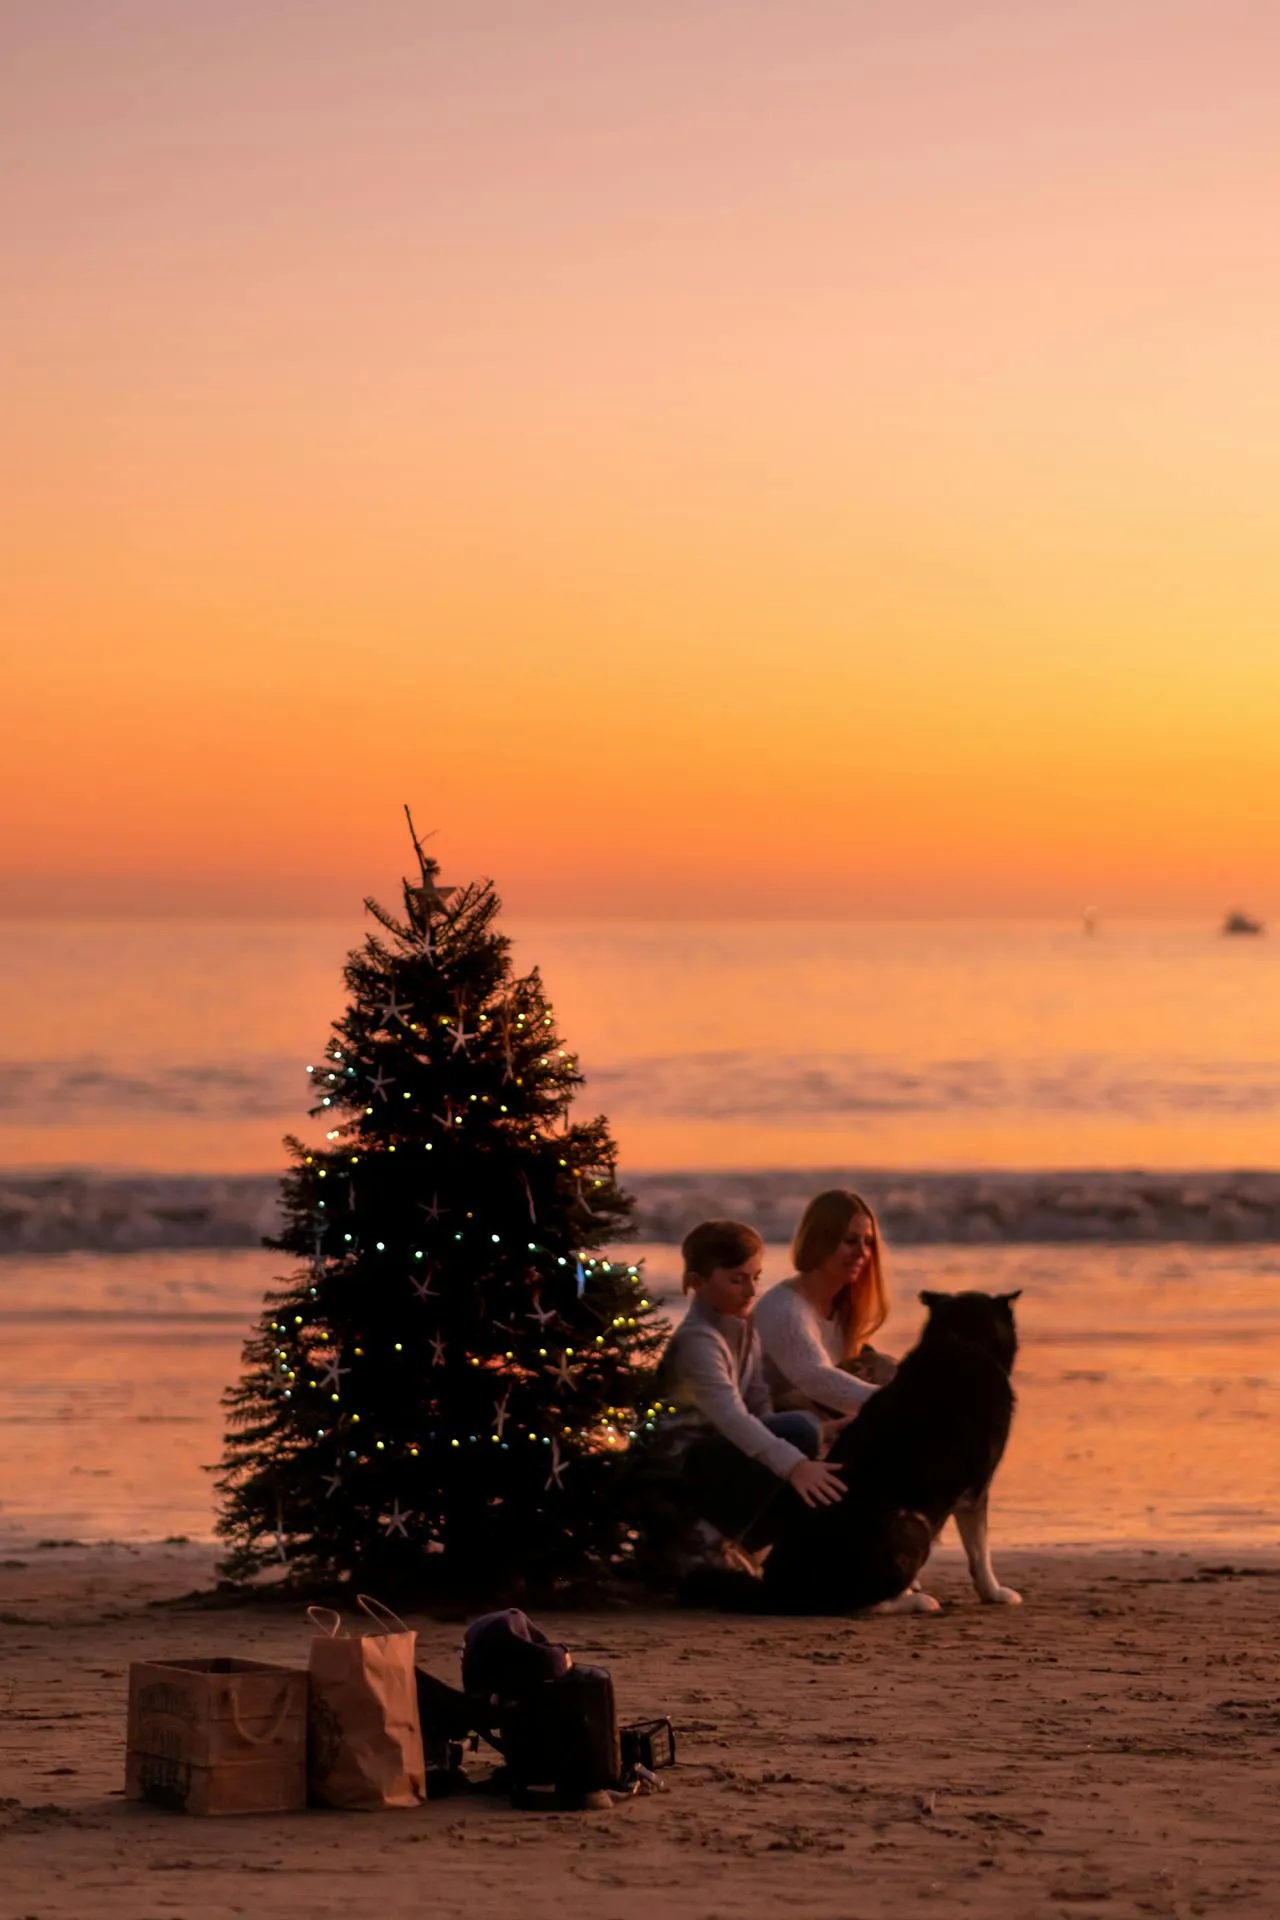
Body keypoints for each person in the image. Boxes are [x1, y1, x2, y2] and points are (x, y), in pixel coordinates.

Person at [652, 1219, 845, 1559]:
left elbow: (759, 1407)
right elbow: (733, 1418)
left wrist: (820, 1435)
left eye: (755, 1277)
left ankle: (748, 1543)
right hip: (680, 1472)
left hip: (719, 1459)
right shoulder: (698, 1341)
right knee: (799, 1429)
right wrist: (795, 1464)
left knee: (805, 1431)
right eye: (736, 1280)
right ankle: (711, 1541)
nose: (751, 1291)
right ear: (697, 1282)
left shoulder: (744, 1327)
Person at [754, 1188, 896, 1422]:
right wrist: (909, 1403)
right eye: (850, 1241)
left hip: (813, 1415)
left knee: (884, 1367)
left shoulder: (841, 1309)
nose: (862, 1252)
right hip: (772, 1427)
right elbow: (818, 1379)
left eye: (868, 1242)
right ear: (820, 1242)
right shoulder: (785, 1309)